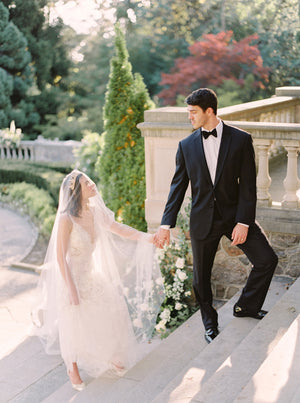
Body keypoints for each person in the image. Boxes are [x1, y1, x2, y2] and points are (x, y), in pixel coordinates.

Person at [154, 88, 278, 344]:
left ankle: (247, 306)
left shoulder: (241, 139)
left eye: (192, 112)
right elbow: (177, 187)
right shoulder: (186, 146)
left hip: (235, 216)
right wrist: (165, 224)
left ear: (208, 111)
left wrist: (243, 221)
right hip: (203, 219)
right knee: (201, 277)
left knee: (266, 259)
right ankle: (210, 325)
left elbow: (247, 186)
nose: (189, 117)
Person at [32, 170, 164, 390]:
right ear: (77, 191)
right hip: (70, 279)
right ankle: (71, 366)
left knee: (114, 308)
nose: (93, 184)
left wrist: (147, 237)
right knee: (73, 321)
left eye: (90, 181)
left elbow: (118, 228)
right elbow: (60, 258)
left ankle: (113, 355)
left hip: (91, 274)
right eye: (87, 183)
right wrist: (71, 289)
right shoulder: (66, 219)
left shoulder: (94, 212)